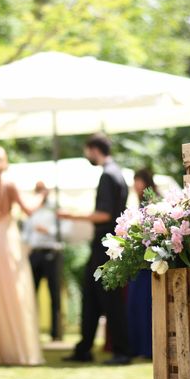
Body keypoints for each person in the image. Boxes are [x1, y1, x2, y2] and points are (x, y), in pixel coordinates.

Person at [59, 133, 130, 365]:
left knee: (109, 300)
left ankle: (121, 351)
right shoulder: (116, 173)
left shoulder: (108, 176)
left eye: (86, 150)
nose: (85, 155)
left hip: (105, 246)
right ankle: (84, 348)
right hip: (105, 245)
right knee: (91, 297)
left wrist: (71, 214)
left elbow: (105, 215)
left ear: (94, 149)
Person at [0, 145, 44, 365]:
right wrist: (41, 194)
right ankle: (19, 351)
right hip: (7, 245)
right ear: (4, 163)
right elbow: (30, 209)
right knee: (15, 297)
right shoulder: (10, 186)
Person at [22, 181, 63, 341]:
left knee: (55, 294)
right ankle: (31, 331)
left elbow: (64, 230)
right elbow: (26, 233)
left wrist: (47, 231)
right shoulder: (31, 210)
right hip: (35, 253)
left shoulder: (55, 208)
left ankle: (56, 332)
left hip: (52, 252)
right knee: (32, 293)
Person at [127, 168, 157, 359]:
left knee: (145, 305)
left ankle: (148, 347)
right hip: (139, 264)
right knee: (135, 306)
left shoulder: (152, 203)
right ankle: (138, 347)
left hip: (148, 265)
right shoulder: (138, 203)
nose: (135, 185)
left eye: (137, 181)